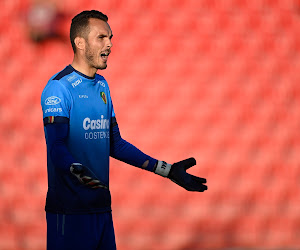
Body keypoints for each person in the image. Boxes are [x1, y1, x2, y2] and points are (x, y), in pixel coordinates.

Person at [41, 10, 207, 250]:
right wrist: (75, 168)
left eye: (111, 37)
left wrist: (168, 170)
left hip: (102, 210)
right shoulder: (58, 88)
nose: (109, 44)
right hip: (69, 213)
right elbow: (56, 147)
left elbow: (115, 143)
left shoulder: (102, 85)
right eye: (101, 37)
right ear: (79, 42)